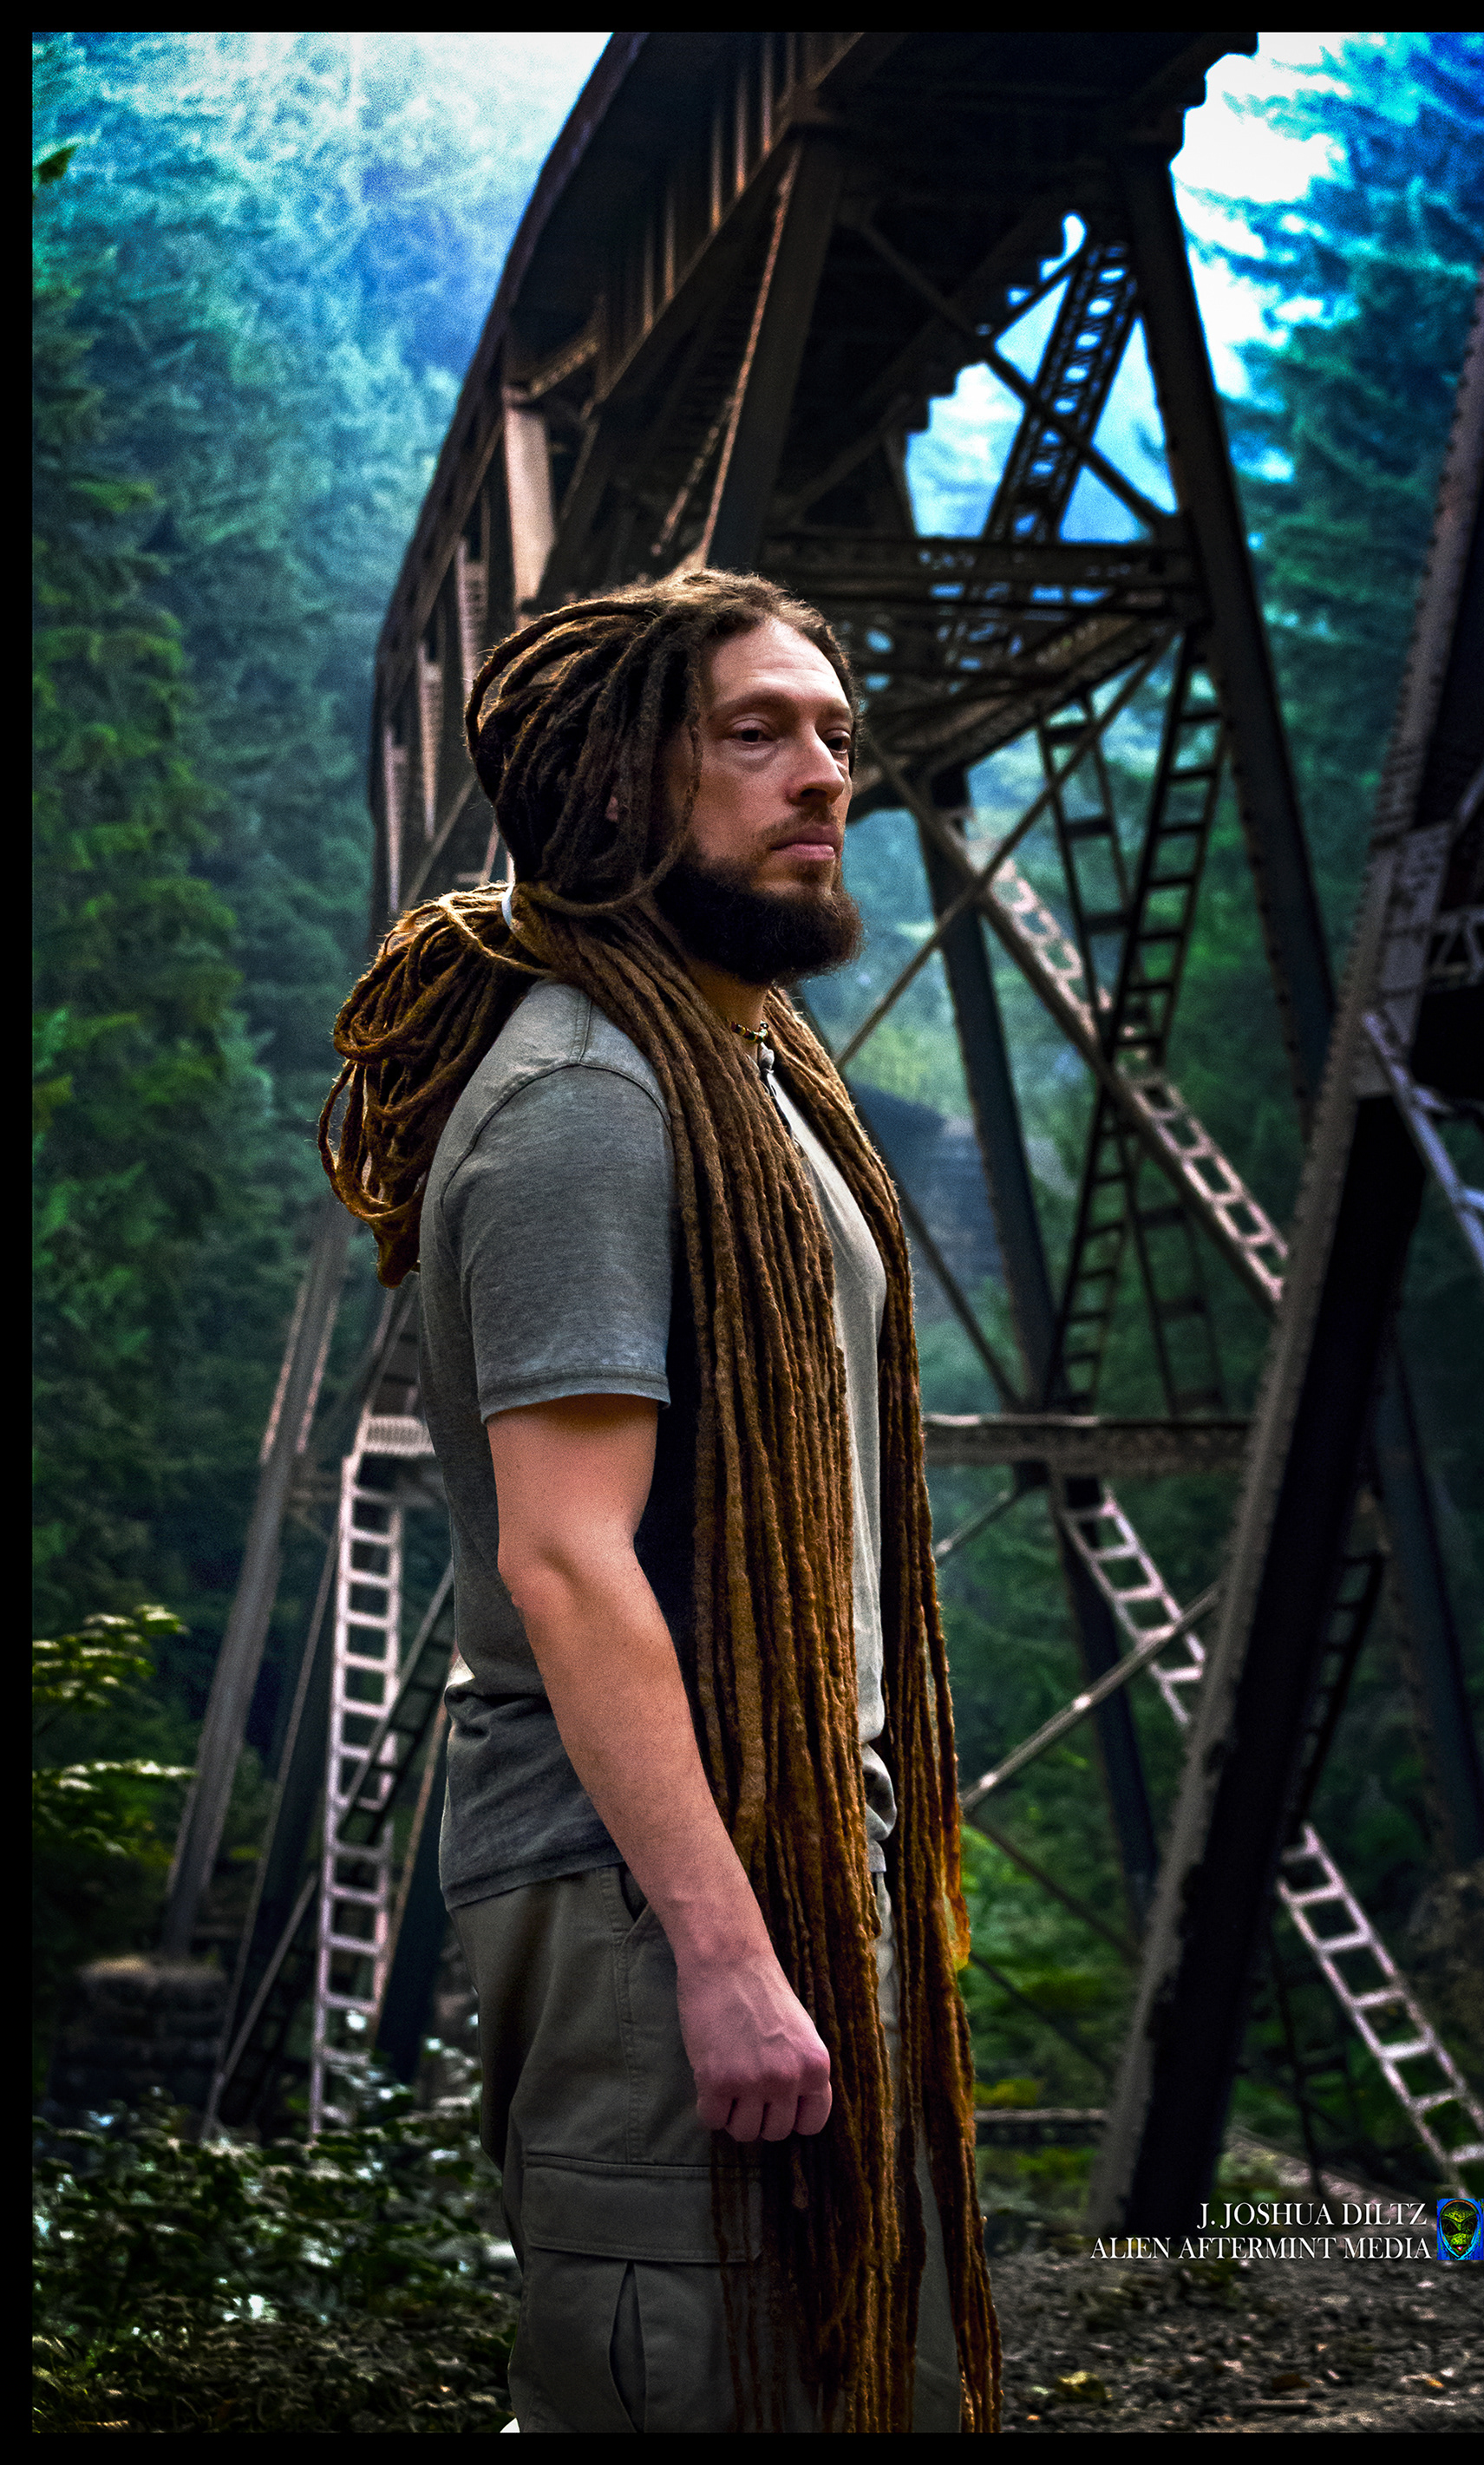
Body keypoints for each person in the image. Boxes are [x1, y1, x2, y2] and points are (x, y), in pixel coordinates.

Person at [321, 570, 1000, 2433]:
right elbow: (564, 1552)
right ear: (619, 778)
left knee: (855, 2366)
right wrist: (722, 1947)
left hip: (795, 1846)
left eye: (837, 735)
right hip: (654, 1891)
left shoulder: (750, 1068)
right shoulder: (589, 1101)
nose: (823, 774)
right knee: (691, 2369)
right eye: (754, 732)